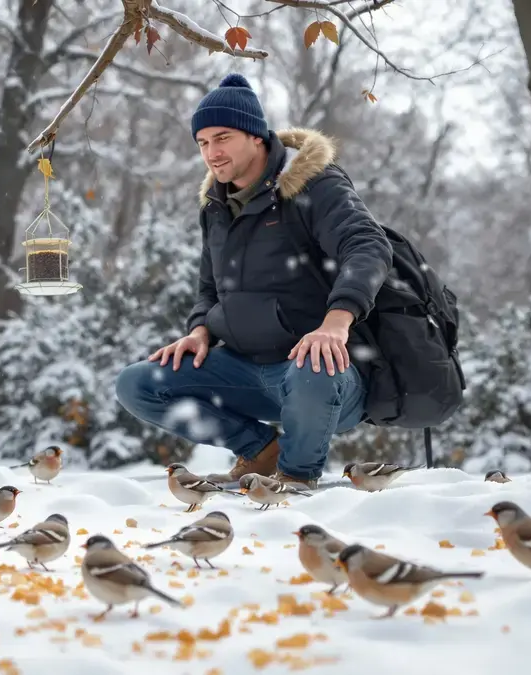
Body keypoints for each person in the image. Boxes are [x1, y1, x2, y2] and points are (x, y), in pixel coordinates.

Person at [114, 73, 393, 490]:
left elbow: (368, 245)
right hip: (244, 372)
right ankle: (261, 451)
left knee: (313, 368)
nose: (212, 153)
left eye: (222, 138)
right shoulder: (216, 206)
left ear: (256, 136)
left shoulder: (315, 185)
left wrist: (336, 323)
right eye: (203, 142)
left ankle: (296, 480)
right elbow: (209, 287)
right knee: (138, 383)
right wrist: (200, 330)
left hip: (322, 380)